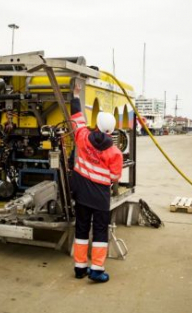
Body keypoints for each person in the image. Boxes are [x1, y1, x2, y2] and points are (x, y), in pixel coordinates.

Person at [69, 82, 123, 283]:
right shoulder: (115, 152)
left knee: (81, 229)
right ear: (111, 130)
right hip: (100, 198)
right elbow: (115, 177)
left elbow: (77, 118)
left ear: (97, 125)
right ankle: (97, 270)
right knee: (100, 231)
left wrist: (76, 94)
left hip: (81, 194)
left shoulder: (83, 137)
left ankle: (79, 267)